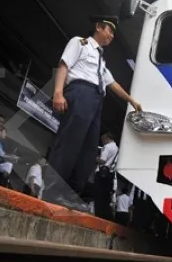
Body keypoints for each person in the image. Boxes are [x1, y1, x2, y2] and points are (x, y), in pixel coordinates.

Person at [43, 15, 142, 209]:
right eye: (109, 30)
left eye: (113, 33)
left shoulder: (101, 60)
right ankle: (52, 191)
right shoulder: (80, 43)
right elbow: (64, 65)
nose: (112, 36)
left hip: (96, 100)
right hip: (80, 92)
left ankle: (71, 194)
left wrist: (131, 100)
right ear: (98, 27)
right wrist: (58, 92)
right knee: (69, 142)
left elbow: (112, 84)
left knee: (87, 150)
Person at [94, 132, 118, 220]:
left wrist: (95, 158)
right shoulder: (117, 148)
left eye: (103, 140)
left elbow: (103, 160)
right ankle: (106, 217)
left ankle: (98, 215)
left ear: (107, 139)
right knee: (106, 198)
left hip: (101, 174)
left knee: (98, 195)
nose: (103, 142)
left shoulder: (107, 147)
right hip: (110, 175)